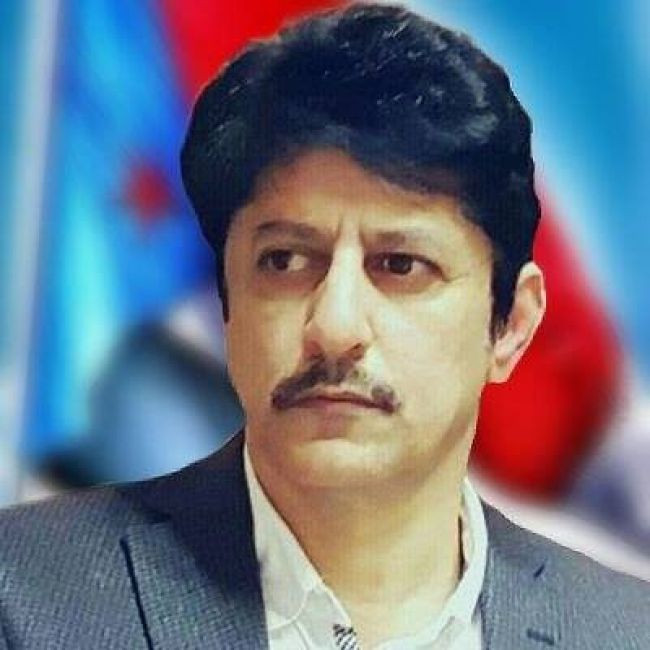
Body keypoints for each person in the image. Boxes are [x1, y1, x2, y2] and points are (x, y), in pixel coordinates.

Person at [1, 4, 648, 648]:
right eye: (284, 260)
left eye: (400, 265)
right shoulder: (24, 600)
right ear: (228, 301)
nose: (334, 327)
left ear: (511, 326)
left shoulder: (622, 631)